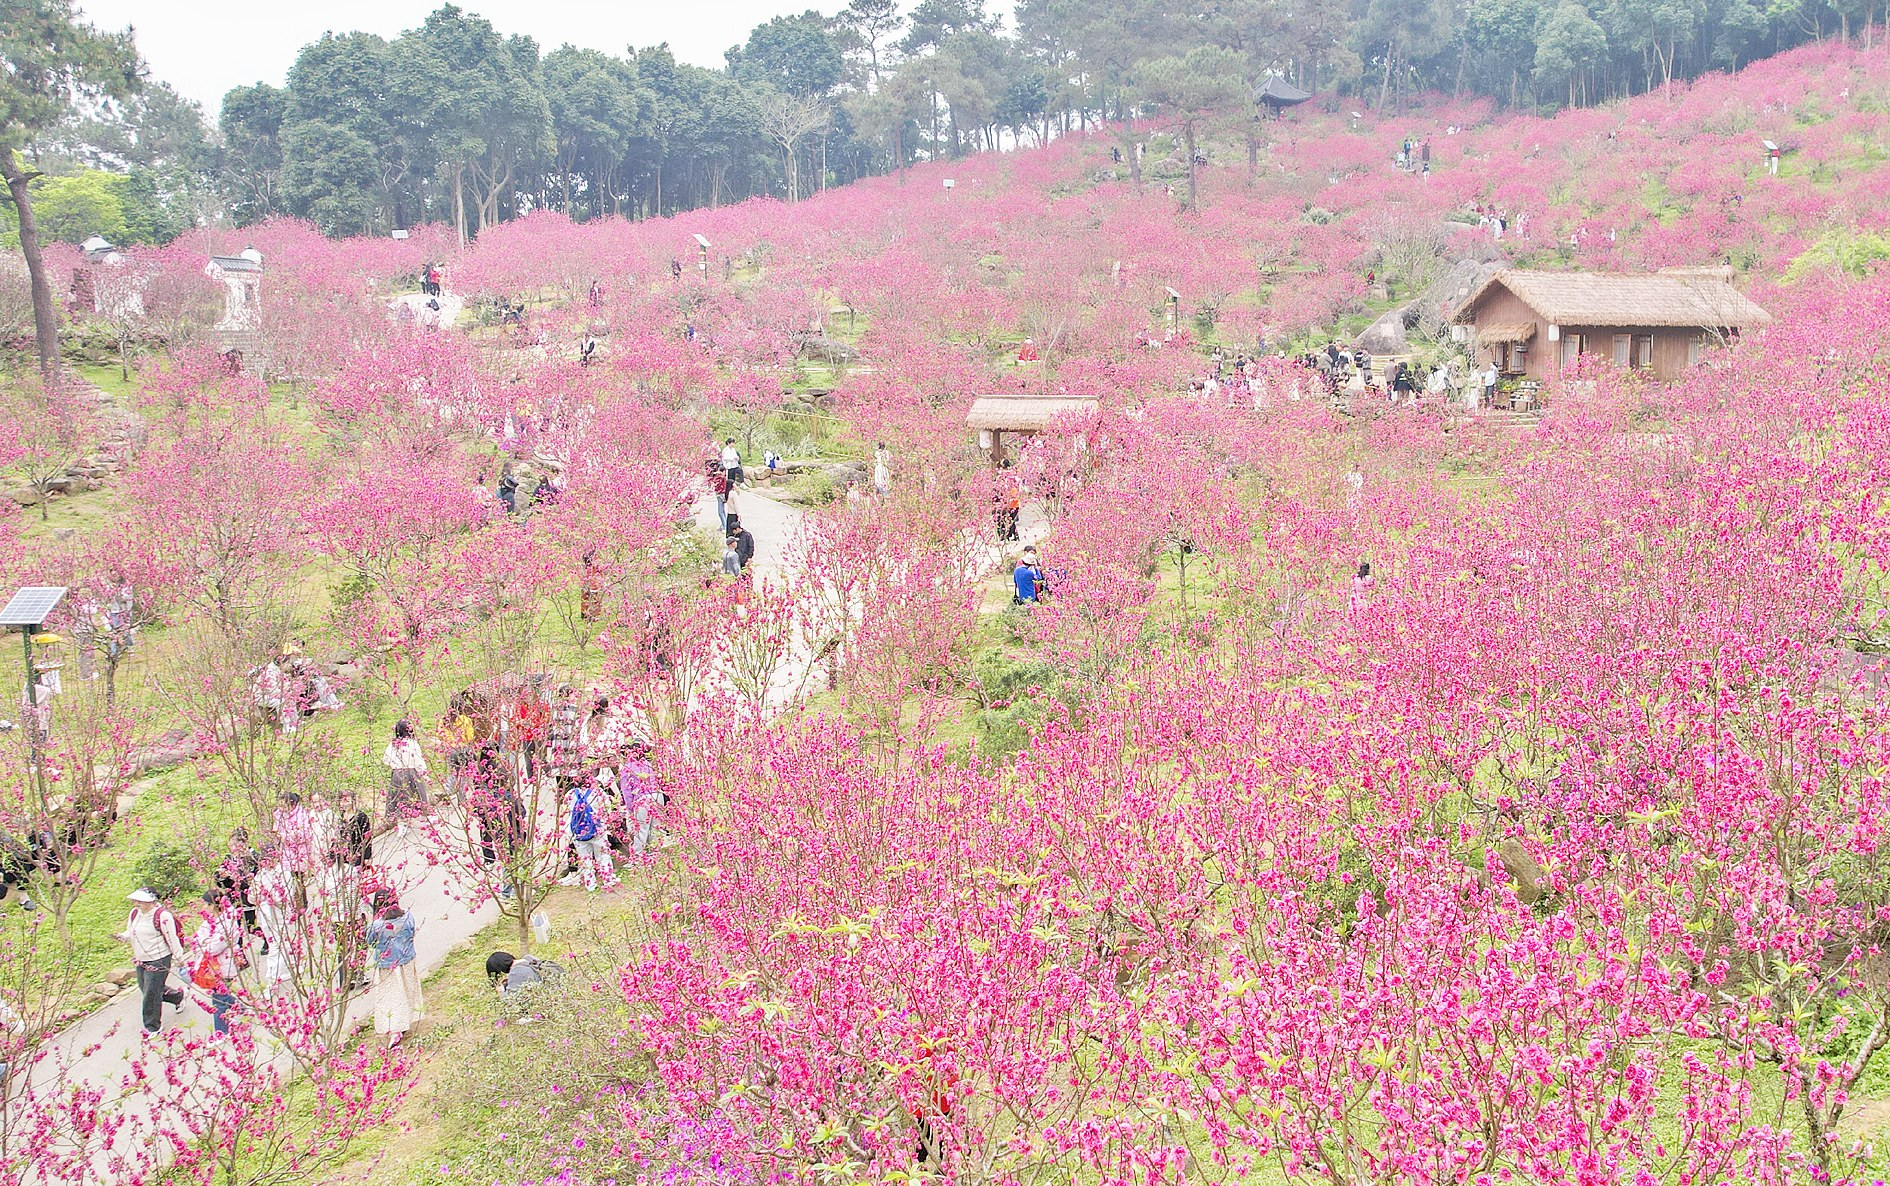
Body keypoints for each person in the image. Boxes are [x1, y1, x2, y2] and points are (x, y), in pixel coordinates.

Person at [119, 888, 186, 1035]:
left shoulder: (163, 916)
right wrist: (123, 936)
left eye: (140, 901)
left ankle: (152, 1026)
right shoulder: (135, 914)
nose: (136, 903)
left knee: (150, 993)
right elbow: (131, 931)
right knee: (147, 988)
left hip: (159, 959)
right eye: (136, 900)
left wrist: (179, 958)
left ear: (151, 901)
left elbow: (172, 938)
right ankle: (177, 997)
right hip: (141, 959)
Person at [365, 892, 422, 1050]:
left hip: (387, 966)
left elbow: (370, 941)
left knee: (391, 998)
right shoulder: (408, 917)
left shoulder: (377, 926)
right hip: (407, 961)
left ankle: (395, 1029)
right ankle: (406, 1021)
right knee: (407, 992)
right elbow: (411, 933)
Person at [189, 891, 244, 1037]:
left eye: (206, 904)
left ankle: (221, 1031)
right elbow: (198, 938)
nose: (204, 907)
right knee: (221, 993)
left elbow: (216, 947)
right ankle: (242, 1009)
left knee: (219, 998)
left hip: (225, 962)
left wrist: (206, 943)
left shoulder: (227, 921)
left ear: (213, 905)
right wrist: (206, 941)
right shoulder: (209, 920)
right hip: (213, 965)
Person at [566, 774, 618, 892]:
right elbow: (607, 808)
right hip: (597, 830)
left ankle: (590, 884)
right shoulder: (597, 793)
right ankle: (608, 879)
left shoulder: (570, 795)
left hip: (578, 832)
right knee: (603, 855)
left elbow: (567, 810)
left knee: (585, 859)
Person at [215, 828, 262, 950]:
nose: (232, 848)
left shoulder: (253, 858)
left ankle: (267, 939)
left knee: (250, 926)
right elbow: (218, 878)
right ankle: (240, 952)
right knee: (236, 926)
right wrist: (221, 876)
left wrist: (236, 877)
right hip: (234, 898)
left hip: (247, 897)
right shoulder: (229, 858)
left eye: (234, 844)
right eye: (230, 845)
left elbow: (253, 878)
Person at [382, 719, 429, 825]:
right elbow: (418, 760)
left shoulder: (393, 744)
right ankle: (426, 816)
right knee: (420, 794)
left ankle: (400, 821)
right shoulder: (412, 743)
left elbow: (386, 759)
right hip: (411, 771)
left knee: (398, 797)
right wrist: (424, 774)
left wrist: (395, 764)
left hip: (397, 772)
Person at [335, 789, 372, 870]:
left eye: (347, 801)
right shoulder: (340, 817)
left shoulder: (361, 817)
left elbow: (367, 838)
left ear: (353, 801)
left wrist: (367, 856)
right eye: (341, 802)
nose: (344, 804)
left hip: (357, 854)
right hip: (343, 855)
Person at [707, 458, 731, 533]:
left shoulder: (721, 477)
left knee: (720, 512)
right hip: (721, 494)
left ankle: (725, 526)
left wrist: (715, 474)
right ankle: (724, 525)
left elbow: (714, 482)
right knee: (722, 511)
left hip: (720, 494)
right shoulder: (722, 477)